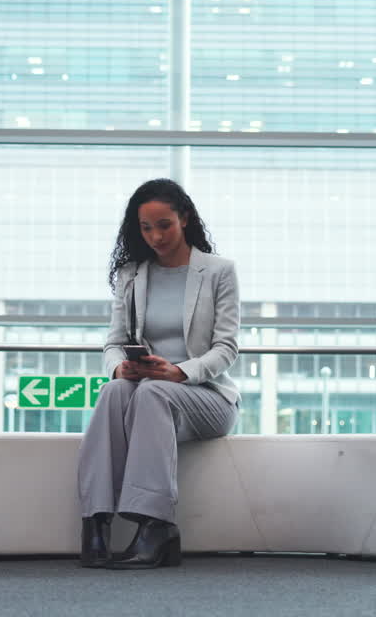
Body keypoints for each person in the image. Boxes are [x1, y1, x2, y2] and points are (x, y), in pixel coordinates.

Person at [77, 178, 241, 569]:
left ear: (184, 218)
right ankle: (96, 520)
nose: (155, 236)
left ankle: (157, 525)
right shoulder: (131, 275)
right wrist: (121, 365)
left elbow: (226, 348)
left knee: (152, 392)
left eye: (164, 225)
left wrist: (179, 372)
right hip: (147, 397)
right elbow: (113, 341)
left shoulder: (218, 272)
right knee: (114, 391)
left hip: (207, 399)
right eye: (146, 228)